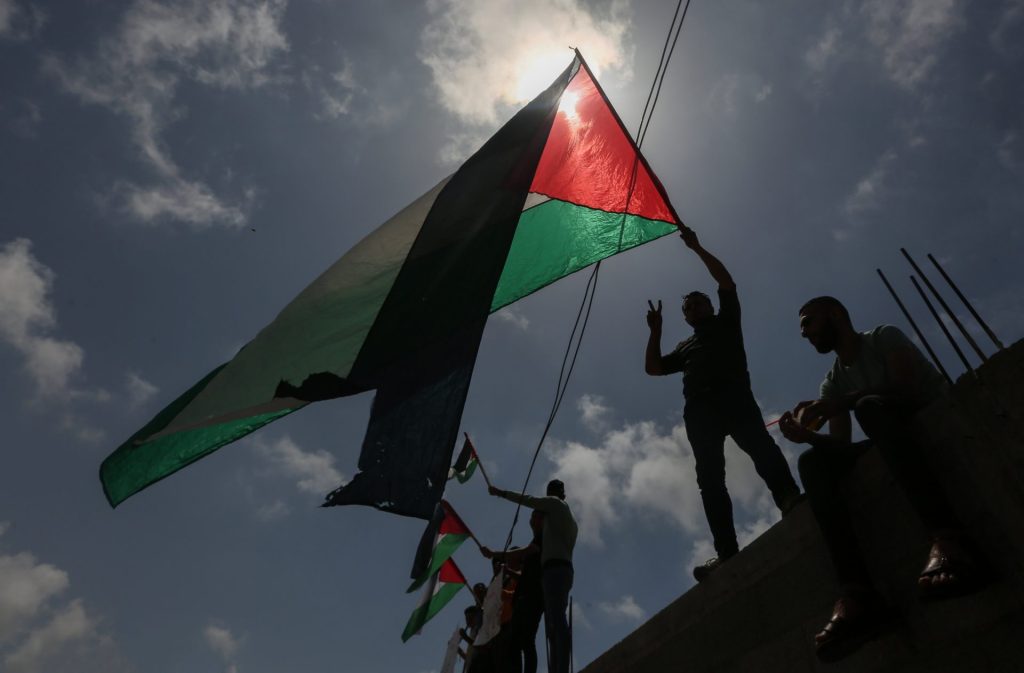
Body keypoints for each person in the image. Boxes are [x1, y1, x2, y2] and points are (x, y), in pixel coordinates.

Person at [779, 296, 981, 661]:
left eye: (808, 322)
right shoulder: (833, 380)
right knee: (813, 462)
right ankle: (859, 596)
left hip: (922, 412)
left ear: (836, 315)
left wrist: (845, 403)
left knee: (869, 405)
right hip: (882, 431)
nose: (804, 333)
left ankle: (951, 539)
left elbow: (904, 388)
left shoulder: (883, 337)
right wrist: (807, 436)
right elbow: (841, 444)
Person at [645, 224, 802, 581]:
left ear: (710, 307)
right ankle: (727, 550)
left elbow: (726, 281)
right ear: (685, 317)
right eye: (690, 307)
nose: (696, 307)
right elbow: (653, 368)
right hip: (699, 413)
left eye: (700, 302)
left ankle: (789, 498)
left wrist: (697, 249)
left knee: (761, 448)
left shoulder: (727, 321)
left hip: (735, 399)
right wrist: (655, 332)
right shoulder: (685, 346)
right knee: (710, 481)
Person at [489, 480, 577, 673]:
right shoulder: (566, 522)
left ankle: (560, 668)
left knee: (552, 625)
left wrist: (501, 492)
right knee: (554, 624)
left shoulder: (554, 506)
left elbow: (528, 500)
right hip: (561, 571)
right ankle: (558, 666)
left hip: (554, 571)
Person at [481, 510, 545, 673]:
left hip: (525, 606)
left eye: (511, 559)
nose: (508, 563)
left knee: (526, 643)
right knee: (516, 647)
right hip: (514, 614)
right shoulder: (508, 578)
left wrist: (502, 593)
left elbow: (523, 580)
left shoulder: (525, 568)